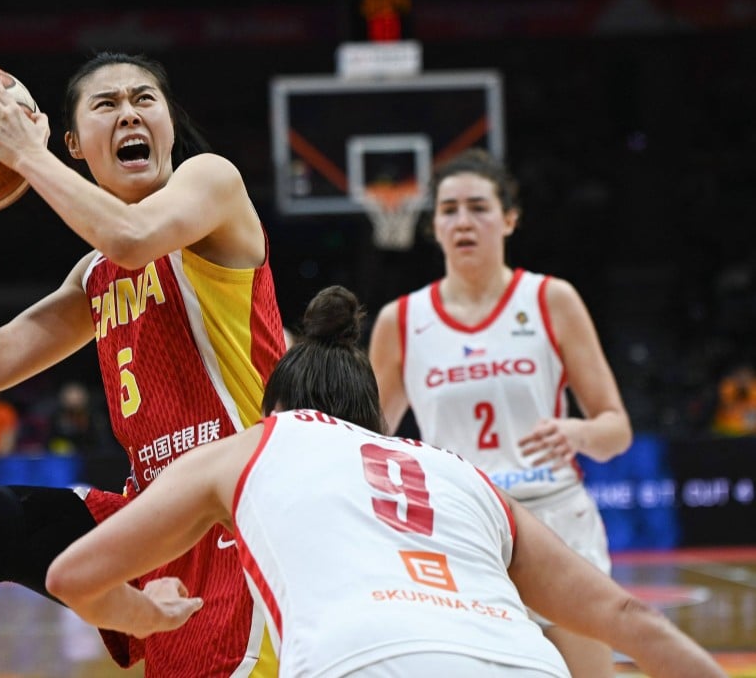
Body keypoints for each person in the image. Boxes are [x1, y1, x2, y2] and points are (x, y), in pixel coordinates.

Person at [46, 285, 724, 678]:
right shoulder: (462, 474)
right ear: (374, 415)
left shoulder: (254, 446)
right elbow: (631, 618)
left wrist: (141, 613)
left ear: (273, 407)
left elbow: (71, 577)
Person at [0, 51, 284, 677]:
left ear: (170, 126)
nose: (129, 112)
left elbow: (132, 236)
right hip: (147, 517)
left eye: (143, 99)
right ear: (74, 143)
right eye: (107, 105)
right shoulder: (96, 275)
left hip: (238, 507)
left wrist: (25, 155)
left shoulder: (212, 182)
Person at [367, 148, 633, 677]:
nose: (463, 220)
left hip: (556, 519)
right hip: (464, 529)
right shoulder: (402, 321)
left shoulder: (551, 299)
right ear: (434, 226)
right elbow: (366, 441)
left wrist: (578, 432)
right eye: (448, 209)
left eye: (478, 207)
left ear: (509, 218)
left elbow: (616, 430)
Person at [45, 381, 105, 456]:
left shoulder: (95, 418)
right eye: (71, 410)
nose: (74, 412)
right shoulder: (57, 419)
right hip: (66, 459)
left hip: (92, 457)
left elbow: (103, 444)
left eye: (77, 408)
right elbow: (50, 443)